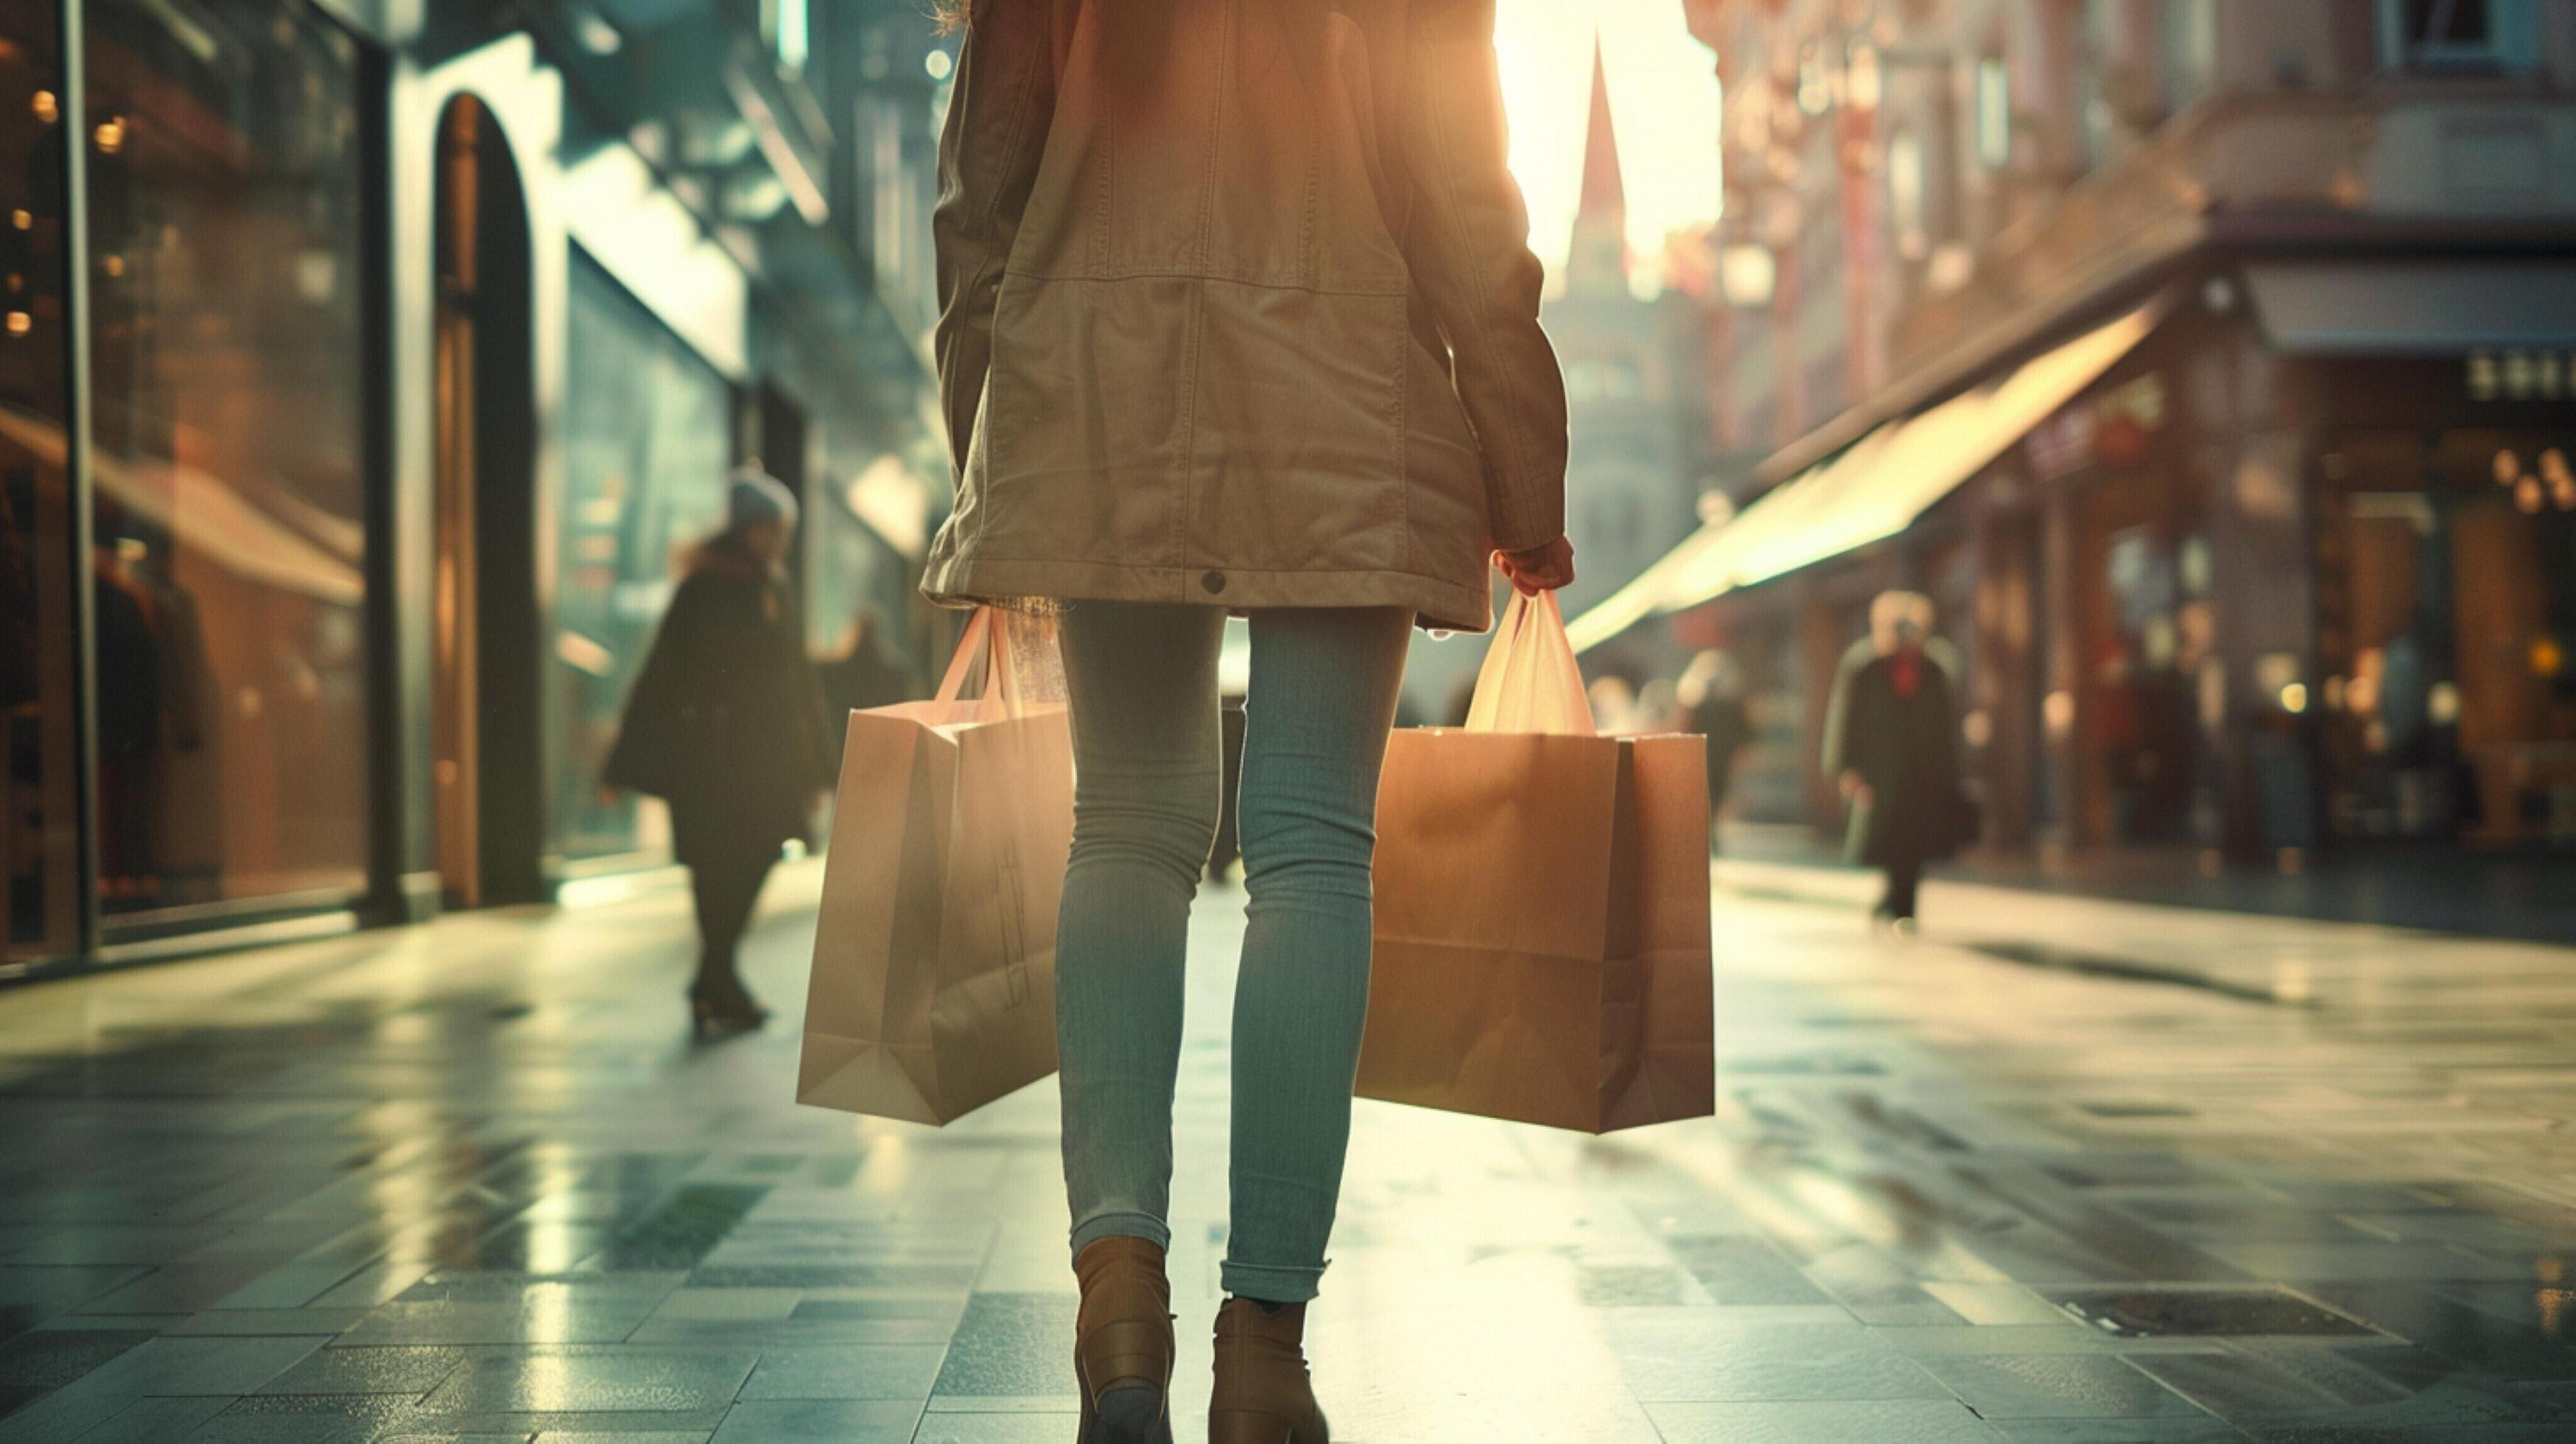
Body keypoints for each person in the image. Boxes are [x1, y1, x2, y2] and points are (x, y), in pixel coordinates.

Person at [924, 2, 1572, 1439]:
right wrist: (1524, 468)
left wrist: (992, 461)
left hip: (1094, 386)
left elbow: (980, 196)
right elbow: (1474, 207)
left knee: (1130, 823)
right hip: (1352, 396)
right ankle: (1265, 1344)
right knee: (1310, 846)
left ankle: (1117, 1296)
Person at [604, 470, 833, 1034]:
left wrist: (820, 763)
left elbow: (797, 682)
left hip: (764, 763)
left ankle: (714, 978)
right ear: (749, 529)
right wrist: (621, 763)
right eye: (774, 530)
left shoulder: (772, 588)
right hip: (708, 762)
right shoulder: (704, 588)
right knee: (714, 871)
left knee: (755, 858)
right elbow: (660, 675)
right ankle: (718, 984)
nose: (781, 541)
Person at [1824, 592, 1967, 932]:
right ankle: (1892, 897)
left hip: (1923, 772)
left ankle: (1904, 908)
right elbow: (1845, 721)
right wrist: (1847, 769)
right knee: (1887, 839)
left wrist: (1951, 774)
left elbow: (1947, 725)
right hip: (1881, 773)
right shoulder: (1865, 667)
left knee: (1914, 842)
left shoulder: (1933, 669)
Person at [1678, 650, 1752, 852]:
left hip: (1713, 753)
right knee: (1712, 792)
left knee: (1715, 792)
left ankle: (1711, 831)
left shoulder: (1705, 699)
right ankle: (1709, 832)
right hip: (1713, 753)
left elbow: (1743, 727)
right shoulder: (1700, 699)